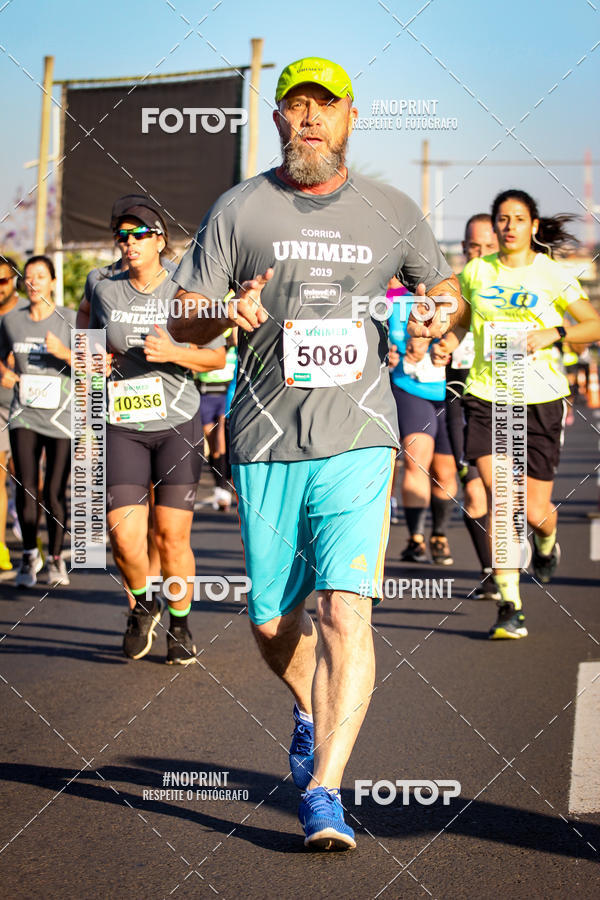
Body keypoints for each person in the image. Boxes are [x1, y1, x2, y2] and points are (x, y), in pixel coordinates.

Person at [168, 56, 463, 850]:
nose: (309, 118)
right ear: (277, 120)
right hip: (265, 440)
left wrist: (441, 315)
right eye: (295, 105)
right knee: (272, 624)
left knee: (343, 609)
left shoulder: (391, 208)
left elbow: (446, 292)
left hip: (359, 437)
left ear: (349, 118)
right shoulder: (239, 209)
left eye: (323, 106)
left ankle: (325, 791)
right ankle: (308, 708)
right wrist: (225, 311)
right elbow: (184, 316)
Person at [437, 189, 600, 638]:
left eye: (519, 218)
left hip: (541, 399)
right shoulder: (476, 271)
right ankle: (510, 605)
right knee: (503, 500)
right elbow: (464, 320)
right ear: (495, 226)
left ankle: (546, 543)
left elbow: (593, 323)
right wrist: (449, 341)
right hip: (488, 395)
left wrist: (555, 332)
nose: (510, 226)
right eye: (503, 219)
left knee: (534, 510)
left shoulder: (552, 273)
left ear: (533, 225)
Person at [86, 196, 226, 664]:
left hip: (176, 424)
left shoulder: (186, 291)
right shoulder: (103, 286)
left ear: (160, 240)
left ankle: (181, 625)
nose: (129, 243)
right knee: (124, 536)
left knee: (171, 538)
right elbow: (89, 330)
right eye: (122, 235)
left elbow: (216, 357)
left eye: (139, 234)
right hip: (123, 423)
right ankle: (145, 604)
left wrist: (175, 354)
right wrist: (92, 358)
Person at [0, 255, 75, 587]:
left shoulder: (70, 320)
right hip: (24, 414)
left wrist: (64, 354)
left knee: (54, 491)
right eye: (28, 277)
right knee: (26, 486)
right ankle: (30, 553)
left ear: (53, 282)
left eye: (40, 276)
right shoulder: (11, 322)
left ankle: (56, 558)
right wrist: (4, 373)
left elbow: (95, 364)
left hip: (61, 417)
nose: (33, 282)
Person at [443, 215, 500, 600]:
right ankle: (492, 572)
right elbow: (440, 331)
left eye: (487, 247)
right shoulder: (454, 286)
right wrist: (434, 342)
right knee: (475, 492)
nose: (478, 254)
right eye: (472, 247)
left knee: (507, 495)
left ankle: (528, 546)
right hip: (459, 394)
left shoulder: (511, 287)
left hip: (503, 394)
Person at [387, 283, 457, 566]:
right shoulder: (387, 300)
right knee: (416, 460)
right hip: (409, 387)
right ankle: (416, 538)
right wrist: (388, 354)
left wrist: (445, 345)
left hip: (448, 391)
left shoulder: (450, 297)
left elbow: (464, 332)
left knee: (445, 471)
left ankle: (439, 534)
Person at [0, 255, 28, 571]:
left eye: (2, 280)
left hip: (29, 406)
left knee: (25, 476)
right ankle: (1, 547)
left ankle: (31, 535)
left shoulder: (27, 312)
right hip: (0, 403)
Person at [196, 329, 237, 511]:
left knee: (221, 440)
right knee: (213, 445)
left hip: (225, 394)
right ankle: (219, 482)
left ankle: (223, 488)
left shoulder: (235, 348)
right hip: (205, 394)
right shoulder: (206, 343)